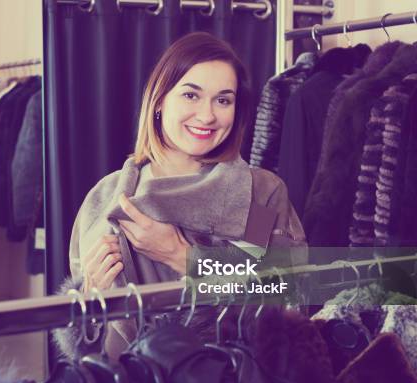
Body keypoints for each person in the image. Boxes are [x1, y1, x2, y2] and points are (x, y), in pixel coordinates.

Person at [54, 32, 307, 361]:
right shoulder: (103, 199)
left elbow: (285, 296)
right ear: (160, 100)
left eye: (223, 100)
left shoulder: (258, 193)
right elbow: (84, 350)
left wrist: (183, 256)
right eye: (191, 95)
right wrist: (89, 301)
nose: (207, 115)